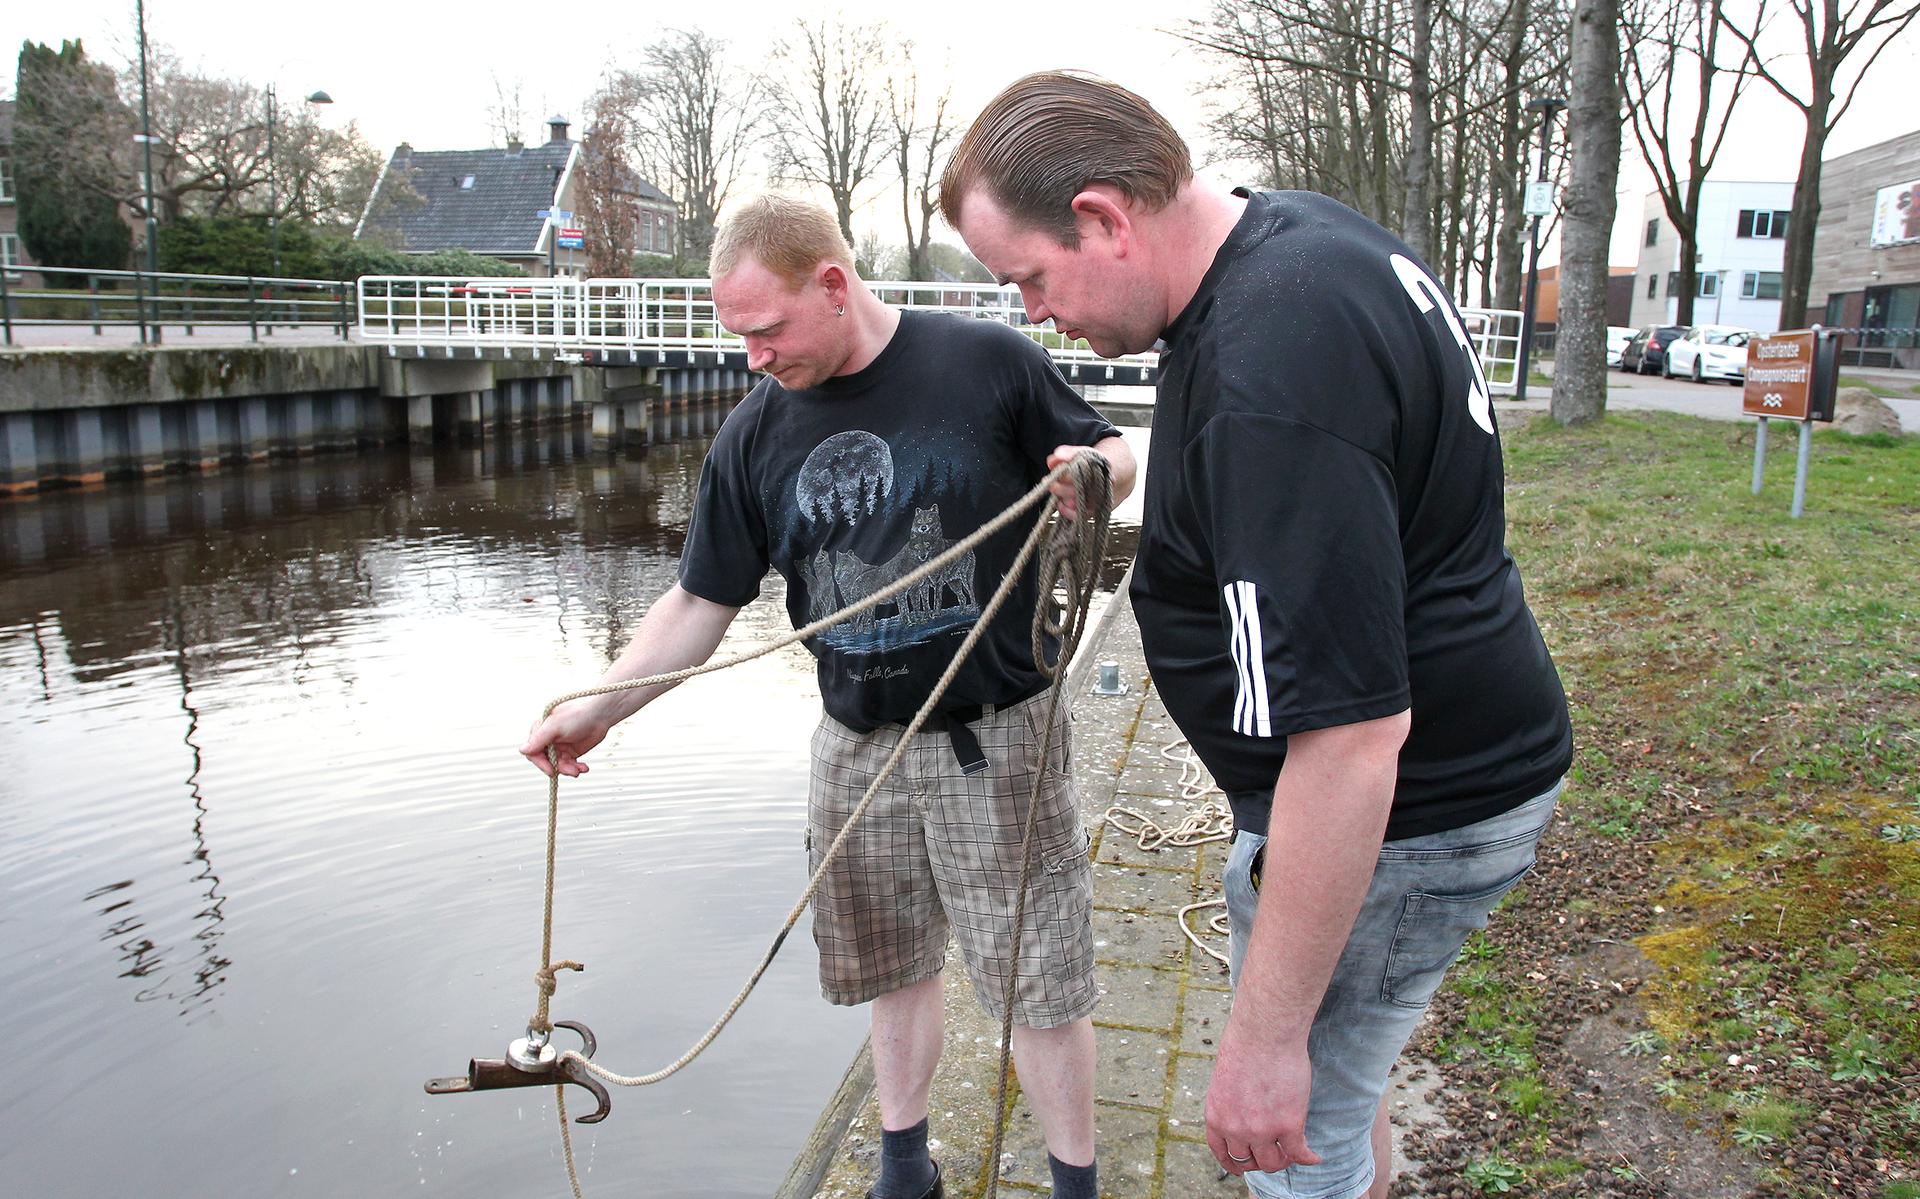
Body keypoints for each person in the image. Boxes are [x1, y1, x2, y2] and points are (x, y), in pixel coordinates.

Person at [943, 73, 1573, 1199]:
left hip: (1406, 817)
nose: (1034, 312)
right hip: (1443, 775)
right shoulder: (1302, 238)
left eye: (1028, 275)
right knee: (1346, 1102)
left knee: (1291, 1144)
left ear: (1101, 216)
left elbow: (1352, 737)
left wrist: (1268, 1038)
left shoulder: (1267, 368)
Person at [521, 194, 1136, 1199]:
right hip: (855, 745)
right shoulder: (752, 433)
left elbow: (1115, 450)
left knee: (1041, 978)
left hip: (998, 736)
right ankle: (904, 1168)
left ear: (833, 283)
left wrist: (1089, 475)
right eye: (736, 336)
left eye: (766, 330)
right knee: (888, 964)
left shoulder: (985, 363)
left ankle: (1075, 1185)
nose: (752, 357)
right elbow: (697, 601)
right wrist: (599, 704)